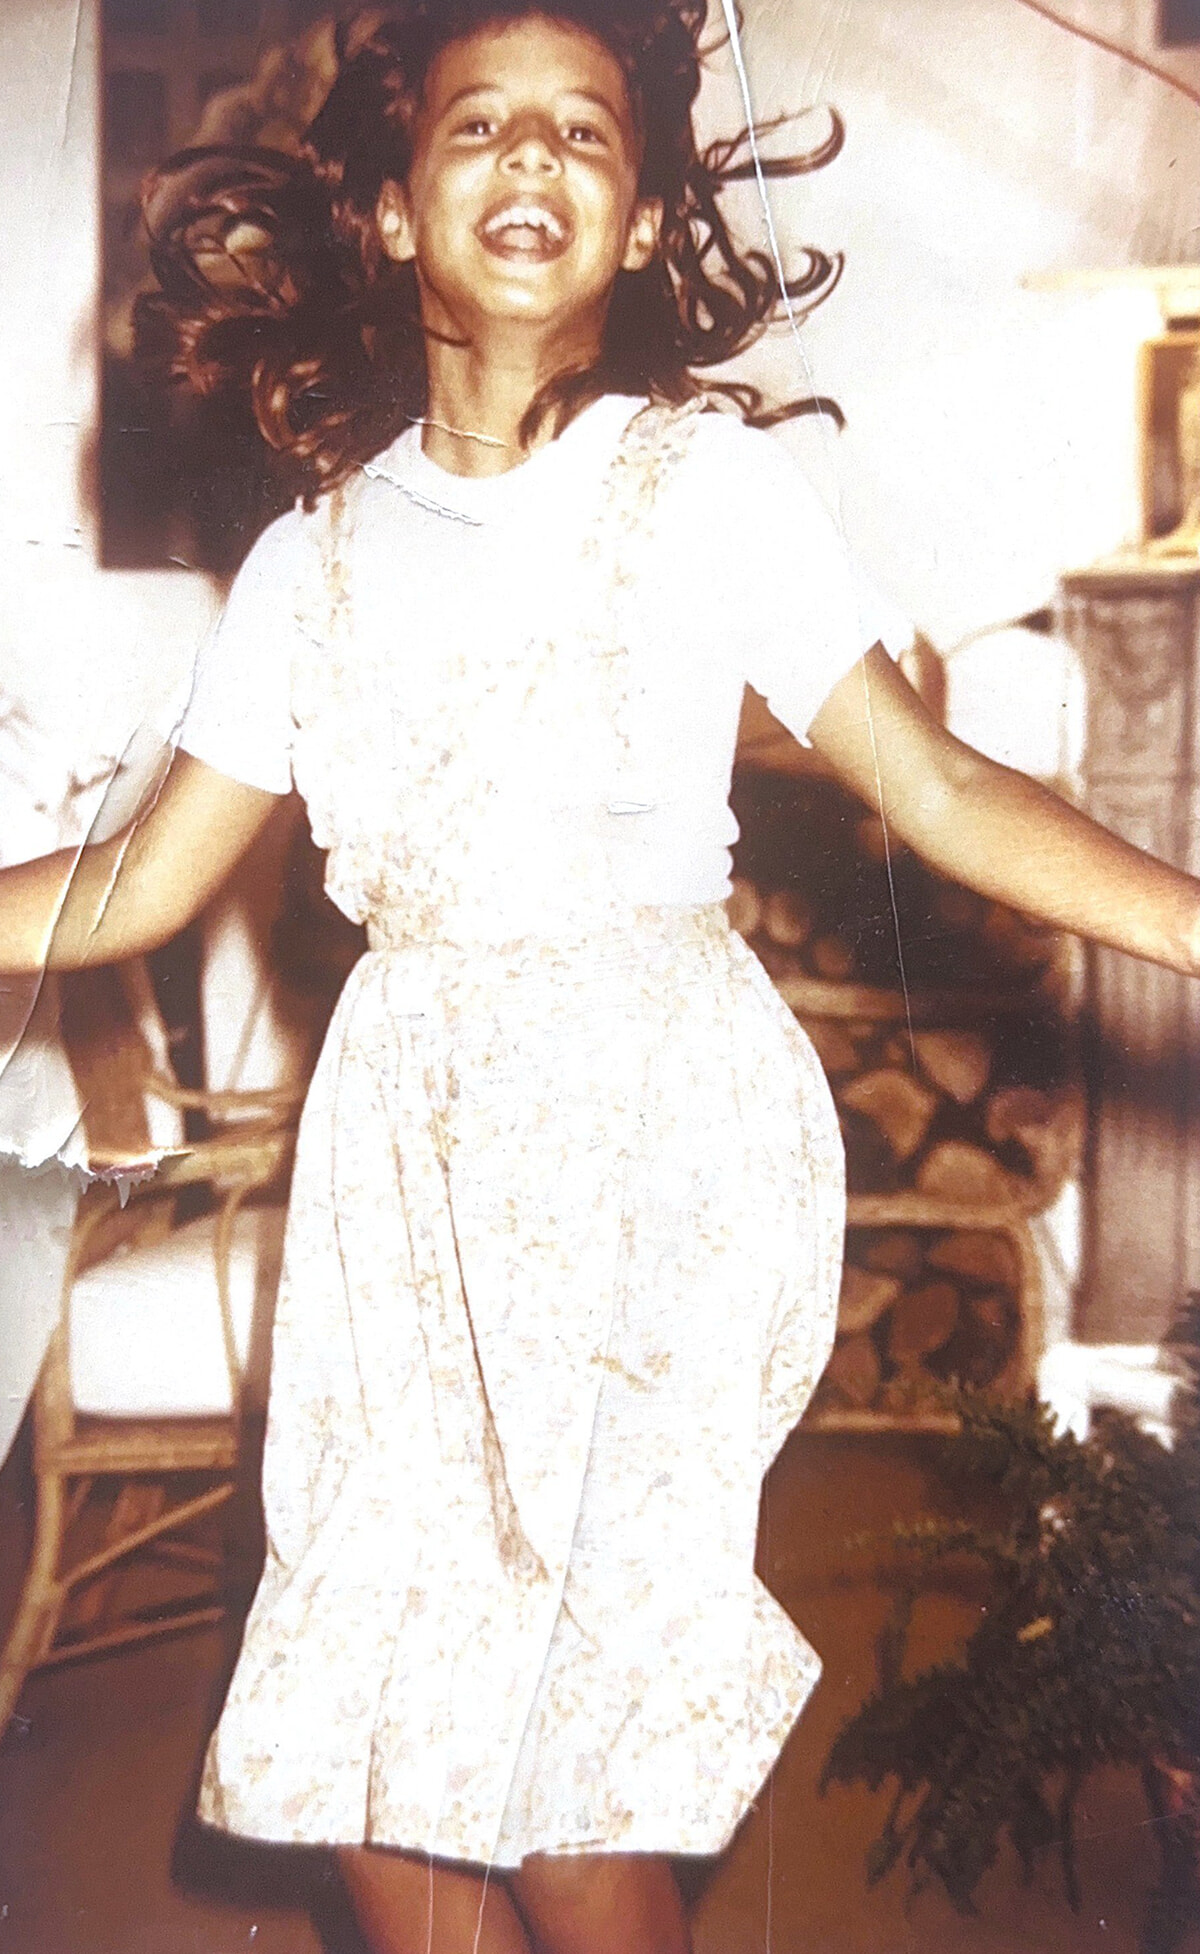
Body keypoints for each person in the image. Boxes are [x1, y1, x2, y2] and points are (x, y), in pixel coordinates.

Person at [4, 4, 1200, 1949]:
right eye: (482, 124)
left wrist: (1192, 920)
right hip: (402, 1168)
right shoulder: (309, 563)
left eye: (584, 131)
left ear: (641, 223)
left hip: (657, 1139)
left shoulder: (702, 489)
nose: (534, 158)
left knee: (568, 1760)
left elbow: (940, 786)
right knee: (380, 1737)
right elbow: (131, 886)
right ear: (392, 210)